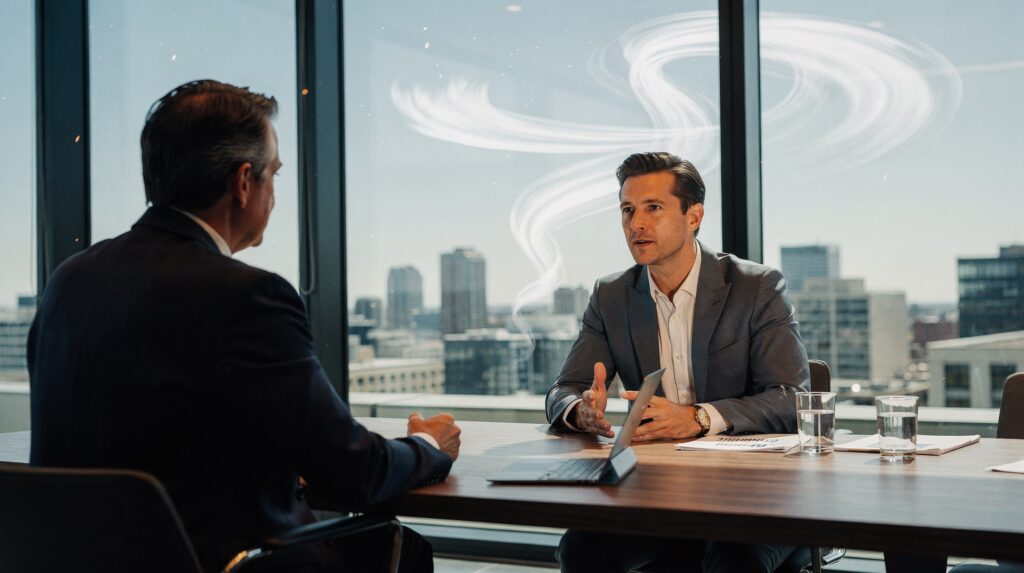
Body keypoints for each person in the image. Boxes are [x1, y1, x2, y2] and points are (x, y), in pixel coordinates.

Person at [27, 79, 460, 573]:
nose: (274, 192)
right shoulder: (247, 295)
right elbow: (354, 474)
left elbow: (150, 433)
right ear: (243, 182)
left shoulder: (70, 279)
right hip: (231, 562)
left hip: (78, 560)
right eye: (274, 173)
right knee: (399, 547)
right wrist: (429, 446)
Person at [546, 152, 810, 573]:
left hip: (752, 491)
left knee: (731, 558)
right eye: (628, 210)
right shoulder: (612, 296)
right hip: (655, 489)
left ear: (693, 216)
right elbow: (564, 390)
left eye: (653, 208)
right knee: (582, 547)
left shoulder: (756, 287)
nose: (636, 224)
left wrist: (699, 419)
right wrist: (580, 412)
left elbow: (792, 398)